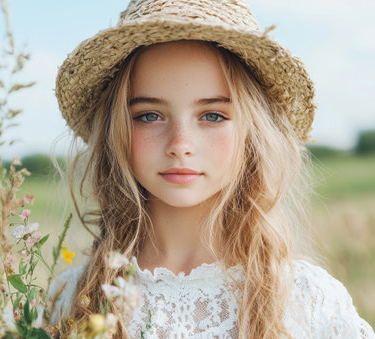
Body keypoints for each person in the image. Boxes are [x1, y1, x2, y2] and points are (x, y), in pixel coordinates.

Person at [49, 0, 375, 338]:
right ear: (116, 130)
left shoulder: (306, 301)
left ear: (252, 132)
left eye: (212, 116)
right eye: (149, 115)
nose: (180, 143)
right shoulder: (72, 302)